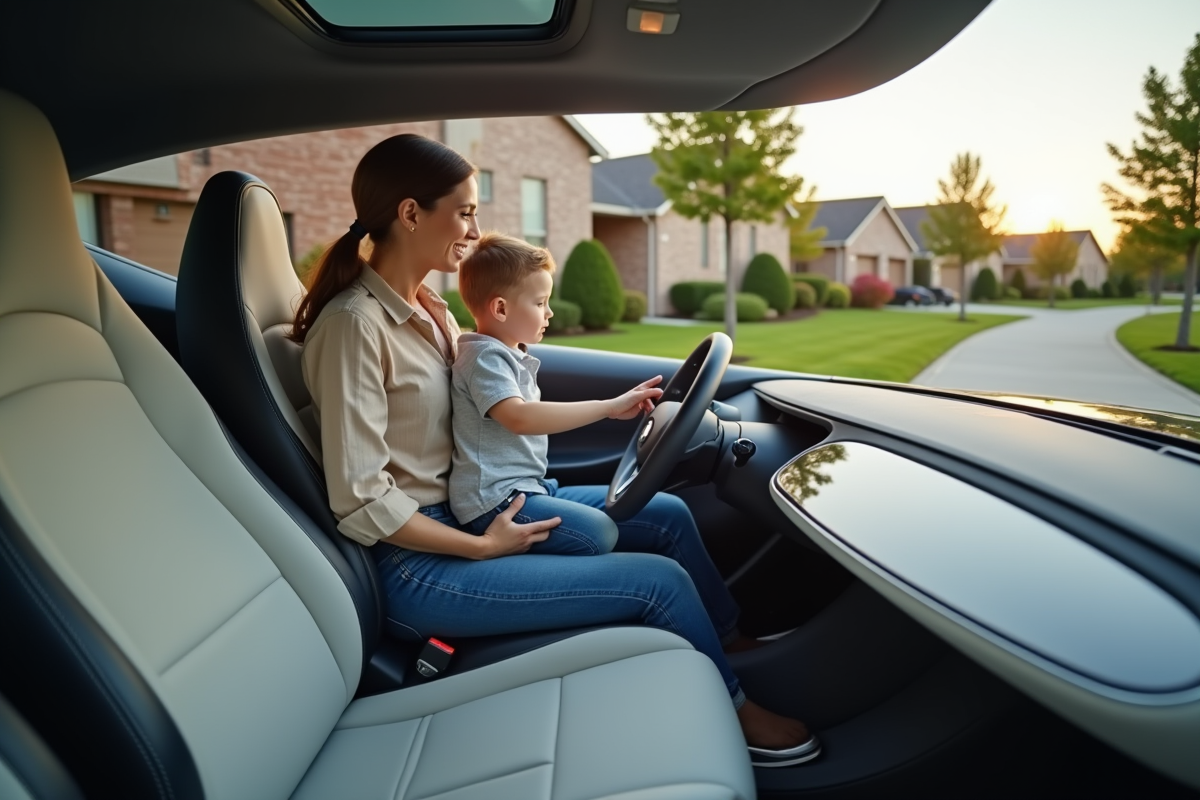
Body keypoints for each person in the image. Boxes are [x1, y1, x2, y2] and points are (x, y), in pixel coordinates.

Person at [293, 132, 818, 765]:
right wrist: (483, 545)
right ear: (410, 213)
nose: (473, 226)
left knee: (671, 516)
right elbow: (362, 498)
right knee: (659, 582)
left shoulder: (431, 310)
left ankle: (728, 641)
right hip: (419, 561)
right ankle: (739, 712)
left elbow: (483, 421)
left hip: (481, 506)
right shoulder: (354, 327)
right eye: (463, 210)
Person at [449, 231, 661, 556]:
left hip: (527, 490)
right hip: (496, 504)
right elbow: (518, 417)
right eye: (540, 303)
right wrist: (606, 407)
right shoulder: (483, 356)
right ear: (501, 308)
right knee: (599, 532)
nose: (549, 313)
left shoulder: (507, 354)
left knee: (668, 510)